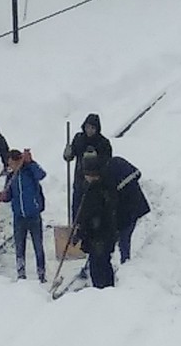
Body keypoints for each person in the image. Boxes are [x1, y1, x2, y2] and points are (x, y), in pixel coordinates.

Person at [0, 148, 48, 282]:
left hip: (33, 215)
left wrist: (30, 162)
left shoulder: (29, 171)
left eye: (12, 163)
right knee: (19, 246)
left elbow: (41, 175)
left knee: (38, 245)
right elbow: (10, 194)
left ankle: (41, 272)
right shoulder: (11, 176)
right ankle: (21, 273)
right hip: (18, 216)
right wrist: (4, 196)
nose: (10, 166)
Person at [72, 151, 118, 289]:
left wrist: (80, 233)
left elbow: (90, 215)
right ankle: (107, 290)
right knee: (102, 264)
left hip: (99, 236)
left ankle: (102, 293)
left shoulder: (96, 190)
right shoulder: (100, 187)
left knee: (98, 266)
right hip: (102, 235)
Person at [64, 113, 113, 221]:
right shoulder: (79, 138)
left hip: (95, 185)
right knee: (77, 210)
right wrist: (68, 153)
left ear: (97, 128)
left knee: (92, 212)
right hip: (79, 181)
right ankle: (75, 231)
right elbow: (69, 156)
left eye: (92, 128)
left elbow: (108, 163)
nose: (89, 130)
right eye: (87, 127)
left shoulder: (103, 143)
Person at [107, 153, 150, 264]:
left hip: (128, 210)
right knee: (121, 238)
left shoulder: (114, 167)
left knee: (123, 238)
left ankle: (126, 264)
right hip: (129, 208)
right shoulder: (116, 164)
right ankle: (124, 264)